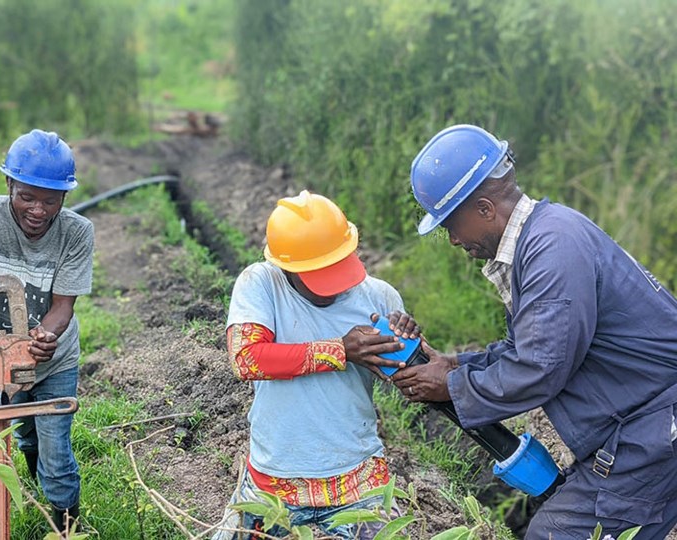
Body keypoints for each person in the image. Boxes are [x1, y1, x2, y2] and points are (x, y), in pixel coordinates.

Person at [394, 124, 677, 539]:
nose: (453, 240)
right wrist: (456, 364)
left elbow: (540, 366)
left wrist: (452, 387)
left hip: (652, 431)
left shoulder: (552, 249)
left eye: (451, 225)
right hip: (642, 420)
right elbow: (527, 346)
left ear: (486, 209)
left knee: (554, 534)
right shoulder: (545, 237)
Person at [213, 190, 419, 540]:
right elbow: (247, 358)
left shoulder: (379, 296)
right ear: (286, 266)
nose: (330, 288)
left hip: (358, 478)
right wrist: (340, 350)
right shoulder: (261, 284)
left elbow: (406, 380)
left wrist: (410, 351)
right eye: (317, 274)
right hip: (276, 482)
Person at [0, 129, 94, 531]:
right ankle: (37, 497)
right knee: (24, 439)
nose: (38, 209)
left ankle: (66, 525)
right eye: (27, 196)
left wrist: (43, 340)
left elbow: (62, 307)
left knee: (55, 453)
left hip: (54, 361)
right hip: (4, 362)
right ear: (9, 184)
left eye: (50, 201)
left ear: (64, 198)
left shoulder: (77, 232)